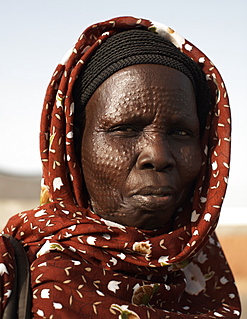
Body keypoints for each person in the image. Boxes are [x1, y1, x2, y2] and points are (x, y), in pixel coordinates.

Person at [0, 16, 241, 318]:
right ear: (71, 148)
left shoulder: (206, 276)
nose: (158, 155)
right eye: (124, 129)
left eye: (181, 132)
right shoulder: (13, 274)